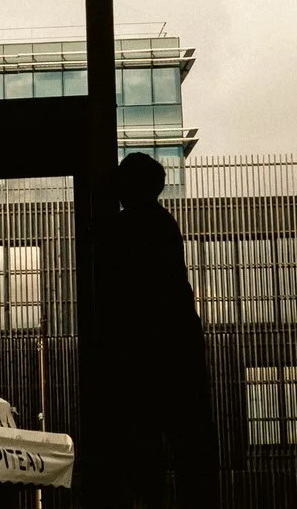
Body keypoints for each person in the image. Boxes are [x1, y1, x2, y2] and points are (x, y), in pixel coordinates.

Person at [110, 151, 218, 508]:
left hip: (145, 355)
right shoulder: (163, 225)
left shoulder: (125, 228)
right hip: (177, 352)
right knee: (187, 447)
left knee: (144, 448)